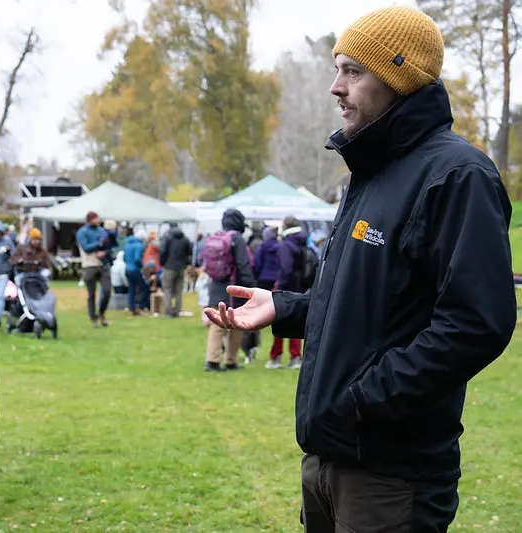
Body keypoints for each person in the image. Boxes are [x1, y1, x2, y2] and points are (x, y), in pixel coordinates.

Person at [205, 6, 516, 532]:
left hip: (390, 476)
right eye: (336, 69)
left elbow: (476, 323)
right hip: (328, 459)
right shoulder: (369, 175)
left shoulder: (457, 175)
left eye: (352, 70)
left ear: (398, 77)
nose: (334, 87)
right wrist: (286, 307)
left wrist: (363, 401)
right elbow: (370, 301)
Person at [203, 208, 254, 372]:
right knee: (236, 323)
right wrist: (250, 287)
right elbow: (243, 264)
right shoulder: (236, 239)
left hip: (216, 286)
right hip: (234, 287)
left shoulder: (216, 236)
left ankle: (212, 359)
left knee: (216, 324)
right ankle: (230, 359)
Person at [271, 216, 307, 370]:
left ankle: (276, 357)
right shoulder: (304, 241)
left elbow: (286, 268)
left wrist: (279, 286)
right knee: (296, 321)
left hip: (287, 287)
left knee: (279, 319)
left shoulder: (287, 245)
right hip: (301, 287)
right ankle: (295, 356)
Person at [76, 211, 111, 327]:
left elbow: (108, 246)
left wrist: (104, 251)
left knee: (107, 291)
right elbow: (86, 247)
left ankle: (101, 313)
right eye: (96, 218)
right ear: (90, 220)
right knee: (91, 294)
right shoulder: (82, 232)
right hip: (89, 266)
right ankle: (93, 318)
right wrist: (98, 243)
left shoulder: (101, 230)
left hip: (103, 265)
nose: (98, 220)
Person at [159, 222, 193, 318]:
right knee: (178, 291)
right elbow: (189, 252)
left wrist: (162, 262)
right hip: (180, 267)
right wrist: (185, 263)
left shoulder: (167, 237)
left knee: (167, 289)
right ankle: (177, 311)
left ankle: (168, 311)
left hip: (169, 267)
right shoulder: (185, 238)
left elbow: (163, 251)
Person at [123, 230, 150, 315]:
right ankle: (141, 308)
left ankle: (132, 309)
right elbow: (137, 258)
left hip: (127, 269)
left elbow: (124, 258)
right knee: (145, 288)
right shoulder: (138, 245)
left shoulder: (127, 244)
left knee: (132, 289)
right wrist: (142, 265)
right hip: (135, 270)